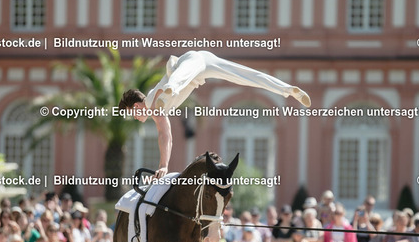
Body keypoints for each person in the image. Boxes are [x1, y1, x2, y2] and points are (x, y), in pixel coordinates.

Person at [118, 50, 311, 178]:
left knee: (176, 80)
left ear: (136, 105)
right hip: (204, 62)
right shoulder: (155, 105)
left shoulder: (151, 104)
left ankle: (172, 87)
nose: (134, 118)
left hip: (190, 62)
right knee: (244, 76)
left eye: (132, 113)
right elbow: (166, 134)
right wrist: (164, 165)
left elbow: (164, 134)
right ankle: (288, 89)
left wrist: (163, 165)